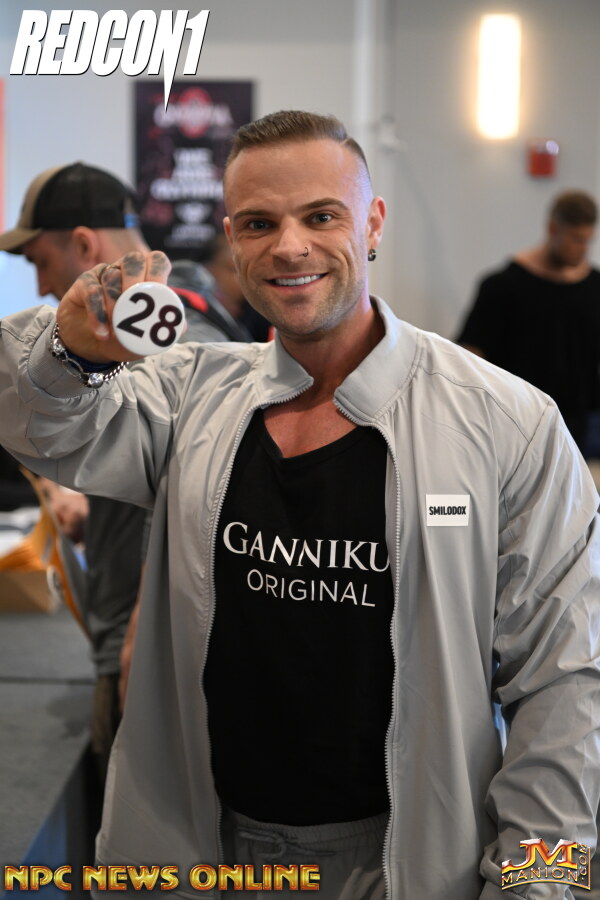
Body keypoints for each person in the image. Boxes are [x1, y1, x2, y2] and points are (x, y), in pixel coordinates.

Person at [0, 111, 599, 900]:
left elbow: (567, 685)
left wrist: (542, 888)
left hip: (409, 864)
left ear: (373, 223)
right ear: (232, 239)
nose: (289, 247)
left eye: (321, 216)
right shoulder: (192, 393)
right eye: (259, 223)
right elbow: (39, 426)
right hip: (200, 850)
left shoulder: (506, 424)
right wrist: (70, 350)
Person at [0, 162, 250, 787]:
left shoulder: (163, 337)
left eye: (41, 261)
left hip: (148, 652)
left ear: (85, 245)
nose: (40, 284)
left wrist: (146, 624)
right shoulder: (197, 314)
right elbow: (162, 461)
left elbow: (206, 493)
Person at [456, 190, 600, 451]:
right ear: (553, 228)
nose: (583, 249)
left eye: (587, 240)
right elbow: (470, 355)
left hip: (578, 424)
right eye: (576, 239)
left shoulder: (595, 287)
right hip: (514, 422)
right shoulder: (502, 285)